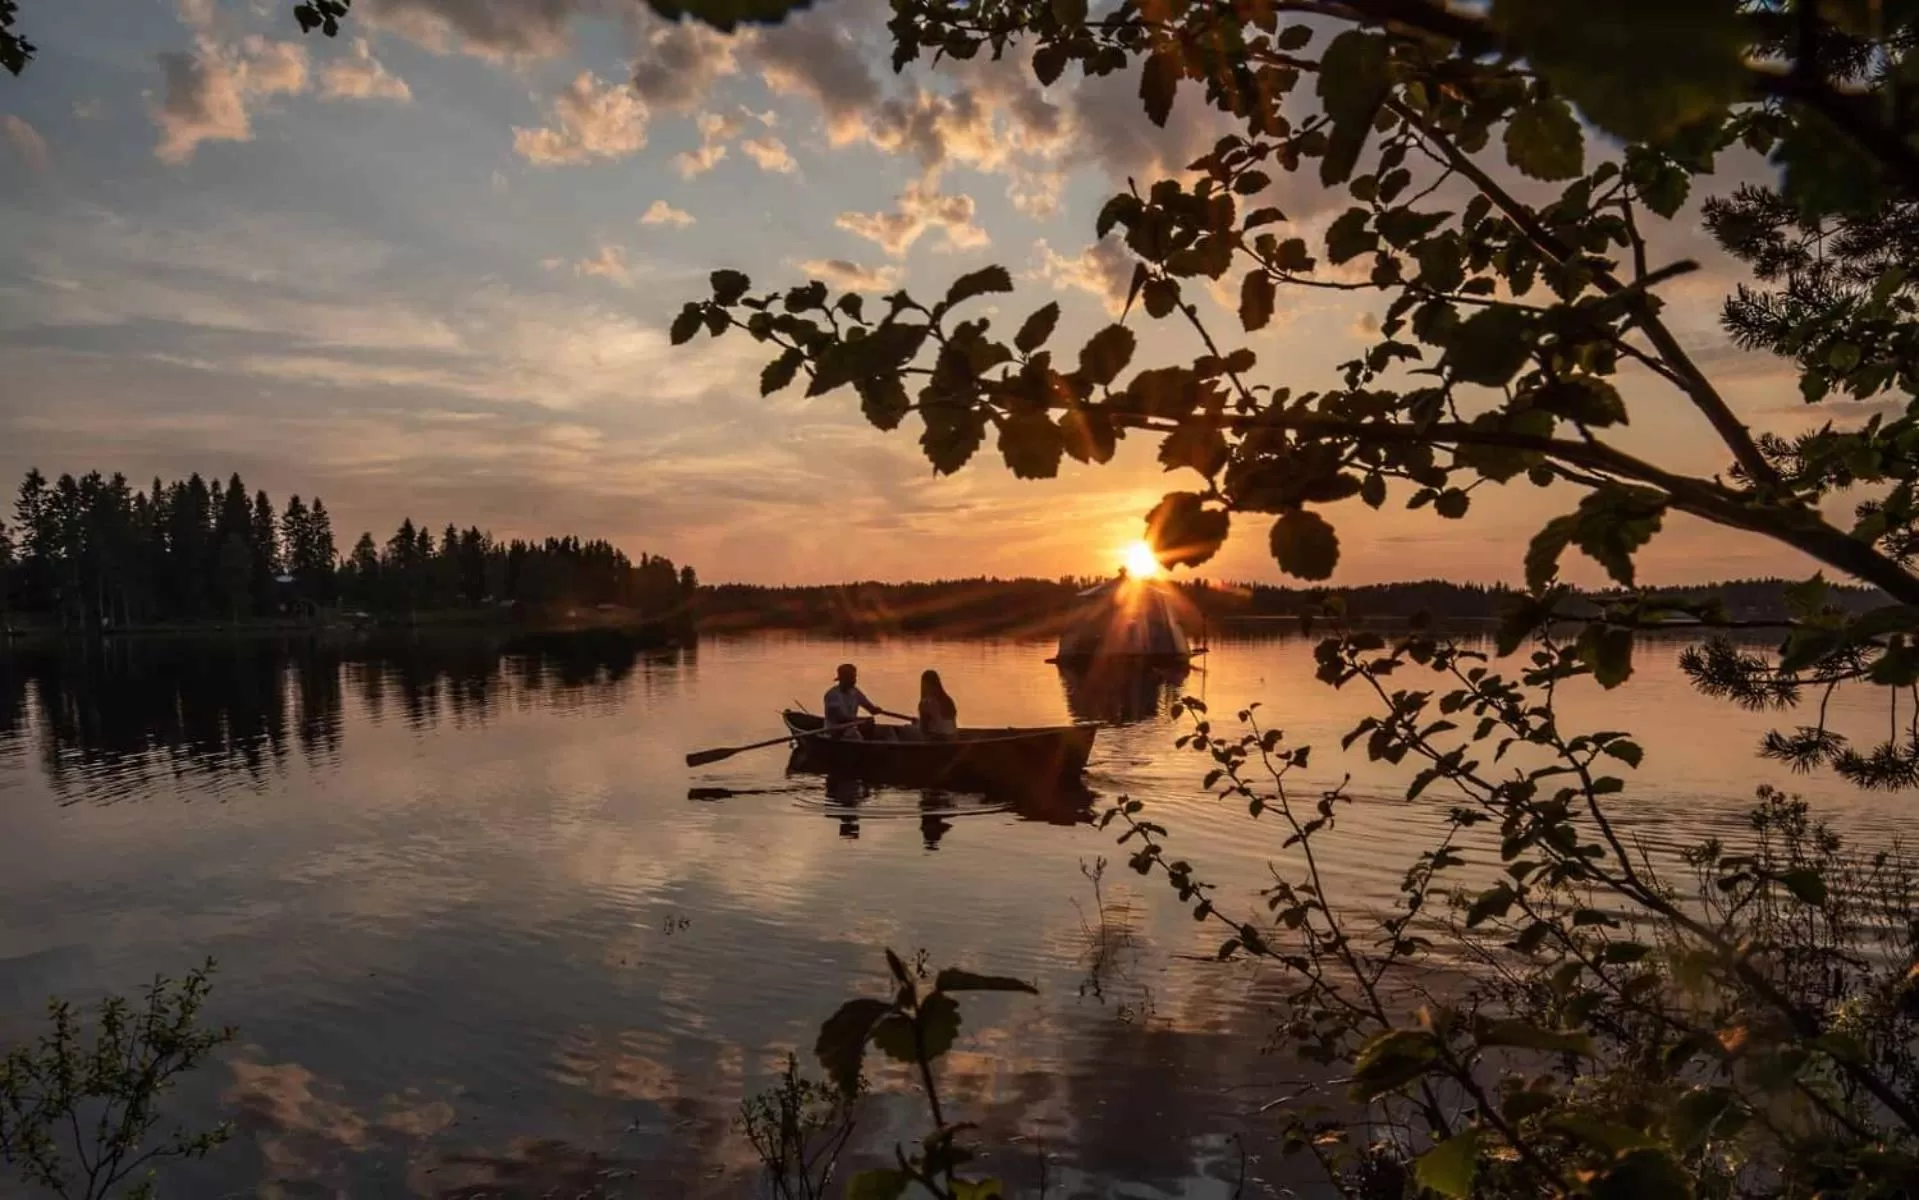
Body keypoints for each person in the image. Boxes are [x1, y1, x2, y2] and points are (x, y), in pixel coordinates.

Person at [823, 663, 884, 738]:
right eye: (851, 677)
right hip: (834, 733)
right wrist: (862, 720)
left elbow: (870, 708)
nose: (854, 680)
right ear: (842, 679)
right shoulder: (832, 695)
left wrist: (875, 710)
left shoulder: (855, 692)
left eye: (854, 677)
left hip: (852, 731)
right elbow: (840, 719)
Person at [917, 669, 958, 739]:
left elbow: (923, 729)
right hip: (953, 735)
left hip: (939, 737)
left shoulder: (926, 702)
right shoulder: (948, 699)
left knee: (907, 730)